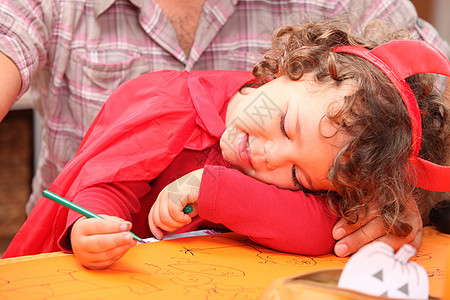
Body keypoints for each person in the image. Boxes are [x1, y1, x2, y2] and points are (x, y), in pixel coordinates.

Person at [0, 0, 449, 257]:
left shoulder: (313, 123)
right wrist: (88, 225)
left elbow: (320, 229)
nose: (273, 158)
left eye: (296, 177)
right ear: (288, 68)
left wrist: (398, 190)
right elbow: (108, 186)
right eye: (284, 126)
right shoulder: (166, 102)